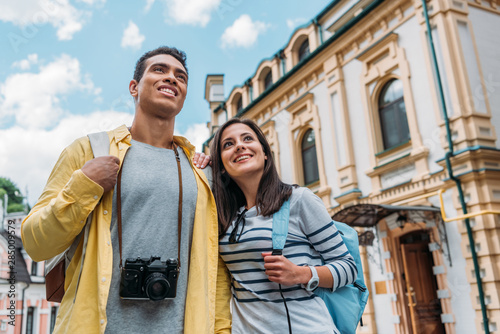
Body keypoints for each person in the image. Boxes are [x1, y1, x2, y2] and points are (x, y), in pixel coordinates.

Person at [21, 46, 231, 334]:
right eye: (159, 70)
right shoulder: (88, 151)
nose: (172, 78)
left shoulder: (200, 171)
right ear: (134, 87)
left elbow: (214, 268)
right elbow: (36, 243)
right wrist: (84, 184)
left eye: (180, 76)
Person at [210, 118, 357, 334]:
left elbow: (348, 268)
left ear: (265, 152)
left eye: (248, 138)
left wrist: (301, 274)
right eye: (228, 144)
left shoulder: (298, 200)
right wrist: (202, 165)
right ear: (221, 165)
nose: (239, 145)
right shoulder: (225, 215)